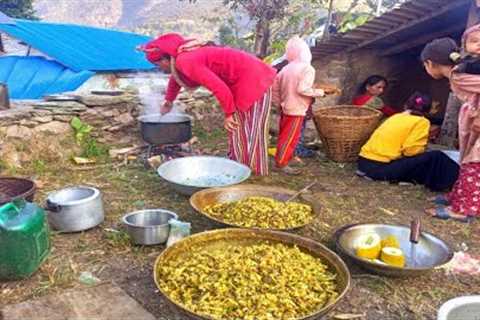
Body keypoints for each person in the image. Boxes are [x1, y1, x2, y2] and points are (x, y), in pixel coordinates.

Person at [140, 33, 276, 176]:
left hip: (253, 79)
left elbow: (219, 87)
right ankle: (239, 164)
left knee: (249, 128)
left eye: (157, 64)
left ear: (165, 58)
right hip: (243, 79)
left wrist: (229, 113)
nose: (159, 68)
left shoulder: (185, 60)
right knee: (239, 128)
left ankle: (253, 171)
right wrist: (168, 101)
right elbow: (176, 78)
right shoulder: (180, 58)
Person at [421, 34, 480, 221]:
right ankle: (458, 198)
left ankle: (463, 211)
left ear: (430, 63)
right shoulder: (460, 73)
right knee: (467, 160)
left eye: (425, 66)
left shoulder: (459, 76)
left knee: (474, 163)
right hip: (473, 118)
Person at [357, 91, 459, 191]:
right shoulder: (421, 122)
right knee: (437, 156)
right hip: (379, 168)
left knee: (426, 159)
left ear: (406, 105)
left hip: (363, 163)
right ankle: (460, 181)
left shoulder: (396, 117)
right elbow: (411, 151)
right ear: (428, 110)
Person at [272, 36, 324, 175]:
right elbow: (302, 89)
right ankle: (281, 164)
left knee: (285, 136)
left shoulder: (285, 68)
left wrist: (279, 104)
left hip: (286, 107)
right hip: (296, 109)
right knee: (290, 138)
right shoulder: (307, 68)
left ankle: (285, 158)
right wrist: (320, 92)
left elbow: (275, 90)